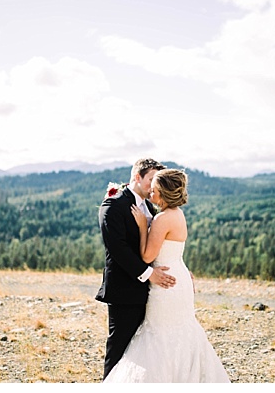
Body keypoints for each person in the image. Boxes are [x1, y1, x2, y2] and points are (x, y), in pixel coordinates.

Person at [104, 169, 230, 383]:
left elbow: (146, 256)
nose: (151, 195)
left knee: (161, 336)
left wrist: (144, 227)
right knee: (181, 332)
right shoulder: (178, 214)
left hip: (165, 285)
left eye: (154, 191)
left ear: (163, 194)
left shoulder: (162, 219)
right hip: (177, 277)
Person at [96, 158, 174, 379]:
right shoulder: (113, 205)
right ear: (137, 177)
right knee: (119, 348)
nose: (155, 186)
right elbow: (118, 249)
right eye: (152, 179)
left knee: (143, 351)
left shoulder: (150, 206)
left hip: (151, 292)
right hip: (124, 291)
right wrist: (150, 274)